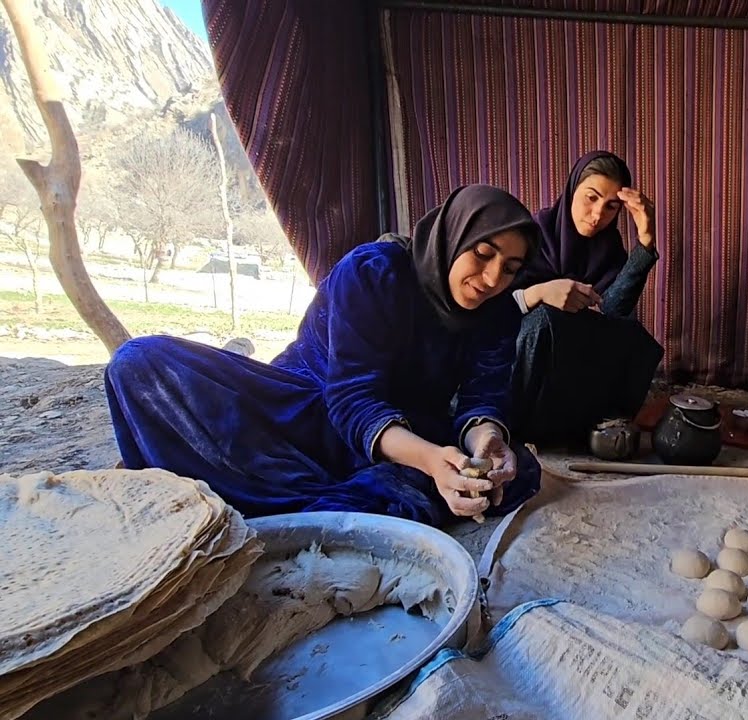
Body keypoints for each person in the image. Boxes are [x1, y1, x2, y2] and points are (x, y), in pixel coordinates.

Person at [104, 184, 542, 527]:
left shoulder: (498, 312)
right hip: (302, 409)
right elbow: (351, 398)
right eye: (482, 254)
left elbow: (482, 397)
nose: (491, 278)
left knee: (518, 473)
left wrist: (485, 443)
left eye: (510, 268)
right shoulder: (374, 273)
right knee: (139, 362)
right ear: (453, 236)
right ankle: (341, 498)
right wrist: (431, 461)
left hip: (403, 430)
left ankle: (303, 497)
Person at [509, 150, 664, 445]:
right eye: (590, 198)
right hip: (522, 353)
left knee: (636, 340)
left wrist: (645, 242)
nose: (597, 216)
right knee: (544, 321)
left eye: (611, 207)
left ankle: (595, 430)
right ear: (571, 190)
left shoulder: (608, 248)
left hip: (572, 358)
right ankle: (511, 427)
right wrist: (540, 293)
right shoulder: (529, 235)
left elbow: (613, 312)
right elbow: (491, 309)